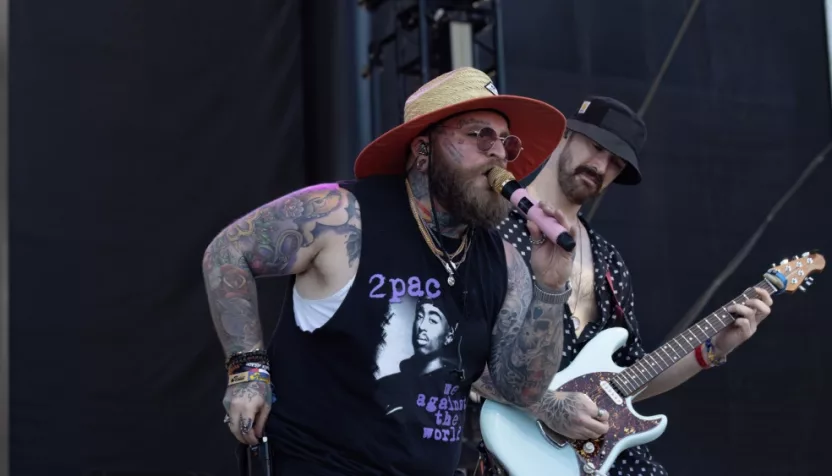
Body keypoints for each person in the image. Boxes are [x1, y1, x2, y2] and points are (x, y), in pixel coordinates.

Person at [201, 66, 580, 475]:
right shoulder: (343, 214)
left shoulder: (505, 261)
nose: (498, 153)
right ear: (422, 151)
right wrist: (248, 370)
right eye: (479, 135)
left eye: (507, 142)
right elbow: (227, 252)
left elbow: (519, 389)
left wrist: (551, 284)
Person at [470, 96, 774, 475]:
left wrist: (712, 349)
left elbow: (627, 382)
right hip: (516, 448)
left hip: (602, 457)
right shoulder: (493, 231)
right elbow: (456, 352)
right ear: (564, 134)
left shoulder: (610, 261)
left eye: (616, 163)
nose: (601, 166)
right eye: (597, 146)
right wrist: (549, 405)